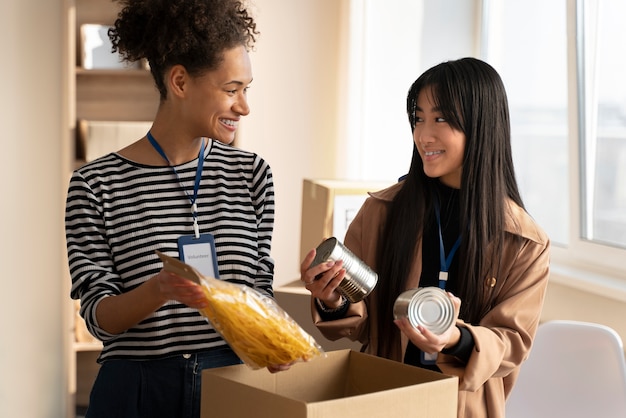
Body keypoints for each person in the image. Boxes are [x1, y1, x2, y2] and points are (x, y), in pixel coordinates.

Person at [65, 1, 282, 417]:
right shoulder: (95, 185)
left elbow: (260, 292)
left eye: (246, 89)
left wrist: (273, 340)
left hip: (232, 387)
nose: (244, 106)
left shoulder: (252, 174)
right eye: (232, 89)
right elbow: (97, 316)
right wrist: (159, 289)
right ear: (180, 81)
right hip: (136, 390)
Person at [300, 57, 550, 417]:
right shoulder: (383, 211)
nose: (423, 135)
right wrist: (333, 298)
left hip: (462, 407)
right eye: (418, 118)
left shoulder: (525, 241)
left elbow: (511, 342)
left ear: (481, 126)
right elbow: (359, 321)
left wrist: (454, 339)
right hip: (384, 399)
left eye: (441, 119)